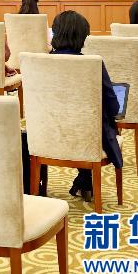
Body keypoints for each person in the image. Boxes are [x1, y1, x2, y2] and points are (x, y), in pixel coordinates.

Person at [48, 11, 123, 202]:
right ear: (83, 37)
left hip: (47, 133)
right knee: (89, 123)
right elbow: (114, 108)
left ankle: (83, 180)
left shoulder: (38, 61)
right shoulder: (92, 64)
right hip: (86, 135)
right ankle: (85, 179)